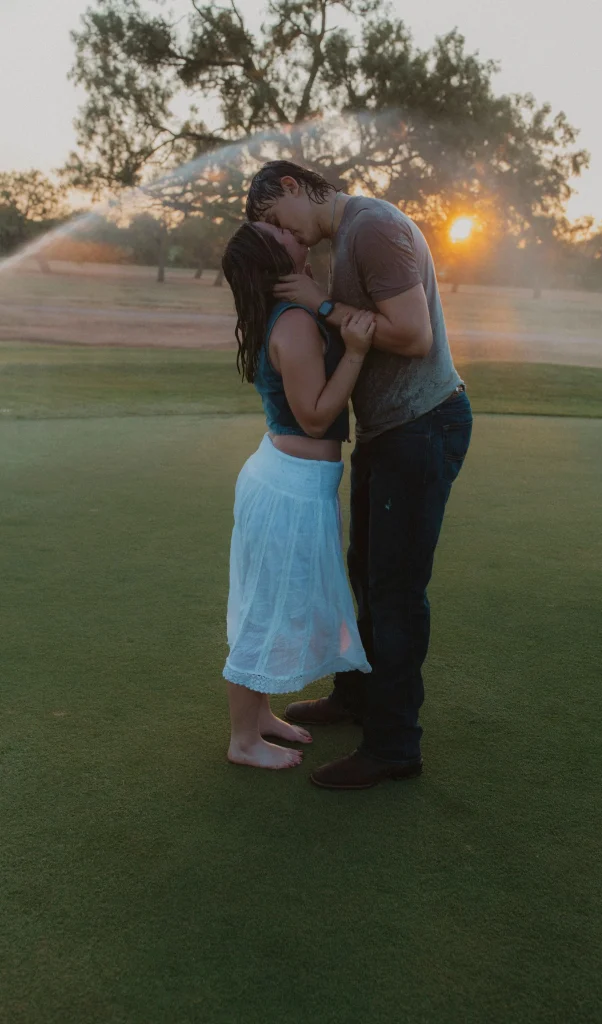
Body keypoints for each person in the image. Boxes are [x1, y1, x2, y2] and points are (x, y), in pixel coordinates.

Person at [246, 161, 473, 790]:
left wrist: (318, 302)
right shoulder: (346, 240)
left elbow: (414, 335)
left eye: (274, 219)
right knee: (365, 576)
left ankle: (395, 745)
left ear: (291, 187)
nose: (280, 235)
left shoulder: (371, 228)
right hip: (388, 431)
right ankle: (356, 698)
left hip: (422, 425)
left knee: (395, 591)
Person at [220, 220, 373, 770]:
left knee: (268, 601)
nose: (287, 228)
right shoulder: (293, 324)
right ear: (270, 258)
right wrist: (355, 351)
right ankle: (242, 740)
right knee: (265, 609)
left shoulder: (294, 310)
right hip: (288, 487)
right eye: (275, 232)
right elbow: (314, 416)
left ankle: (257, 716)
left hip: (293, 483)